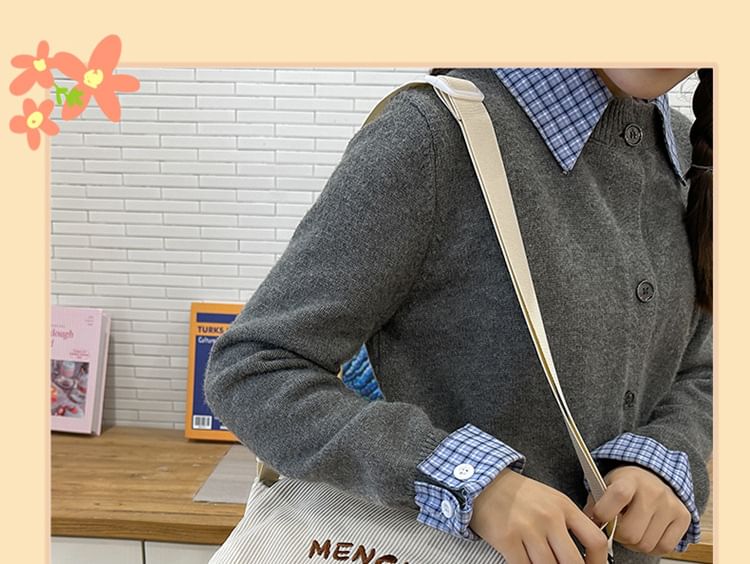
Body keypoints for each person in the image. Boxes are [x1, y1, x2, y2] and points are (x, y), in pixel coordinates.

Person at [203, 67, 713, 564]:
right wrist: (475, 485)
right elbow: (252, 370)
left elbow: (701, 364)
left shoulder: (688, 154)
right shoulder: (434, 136)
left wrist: (662, 456)